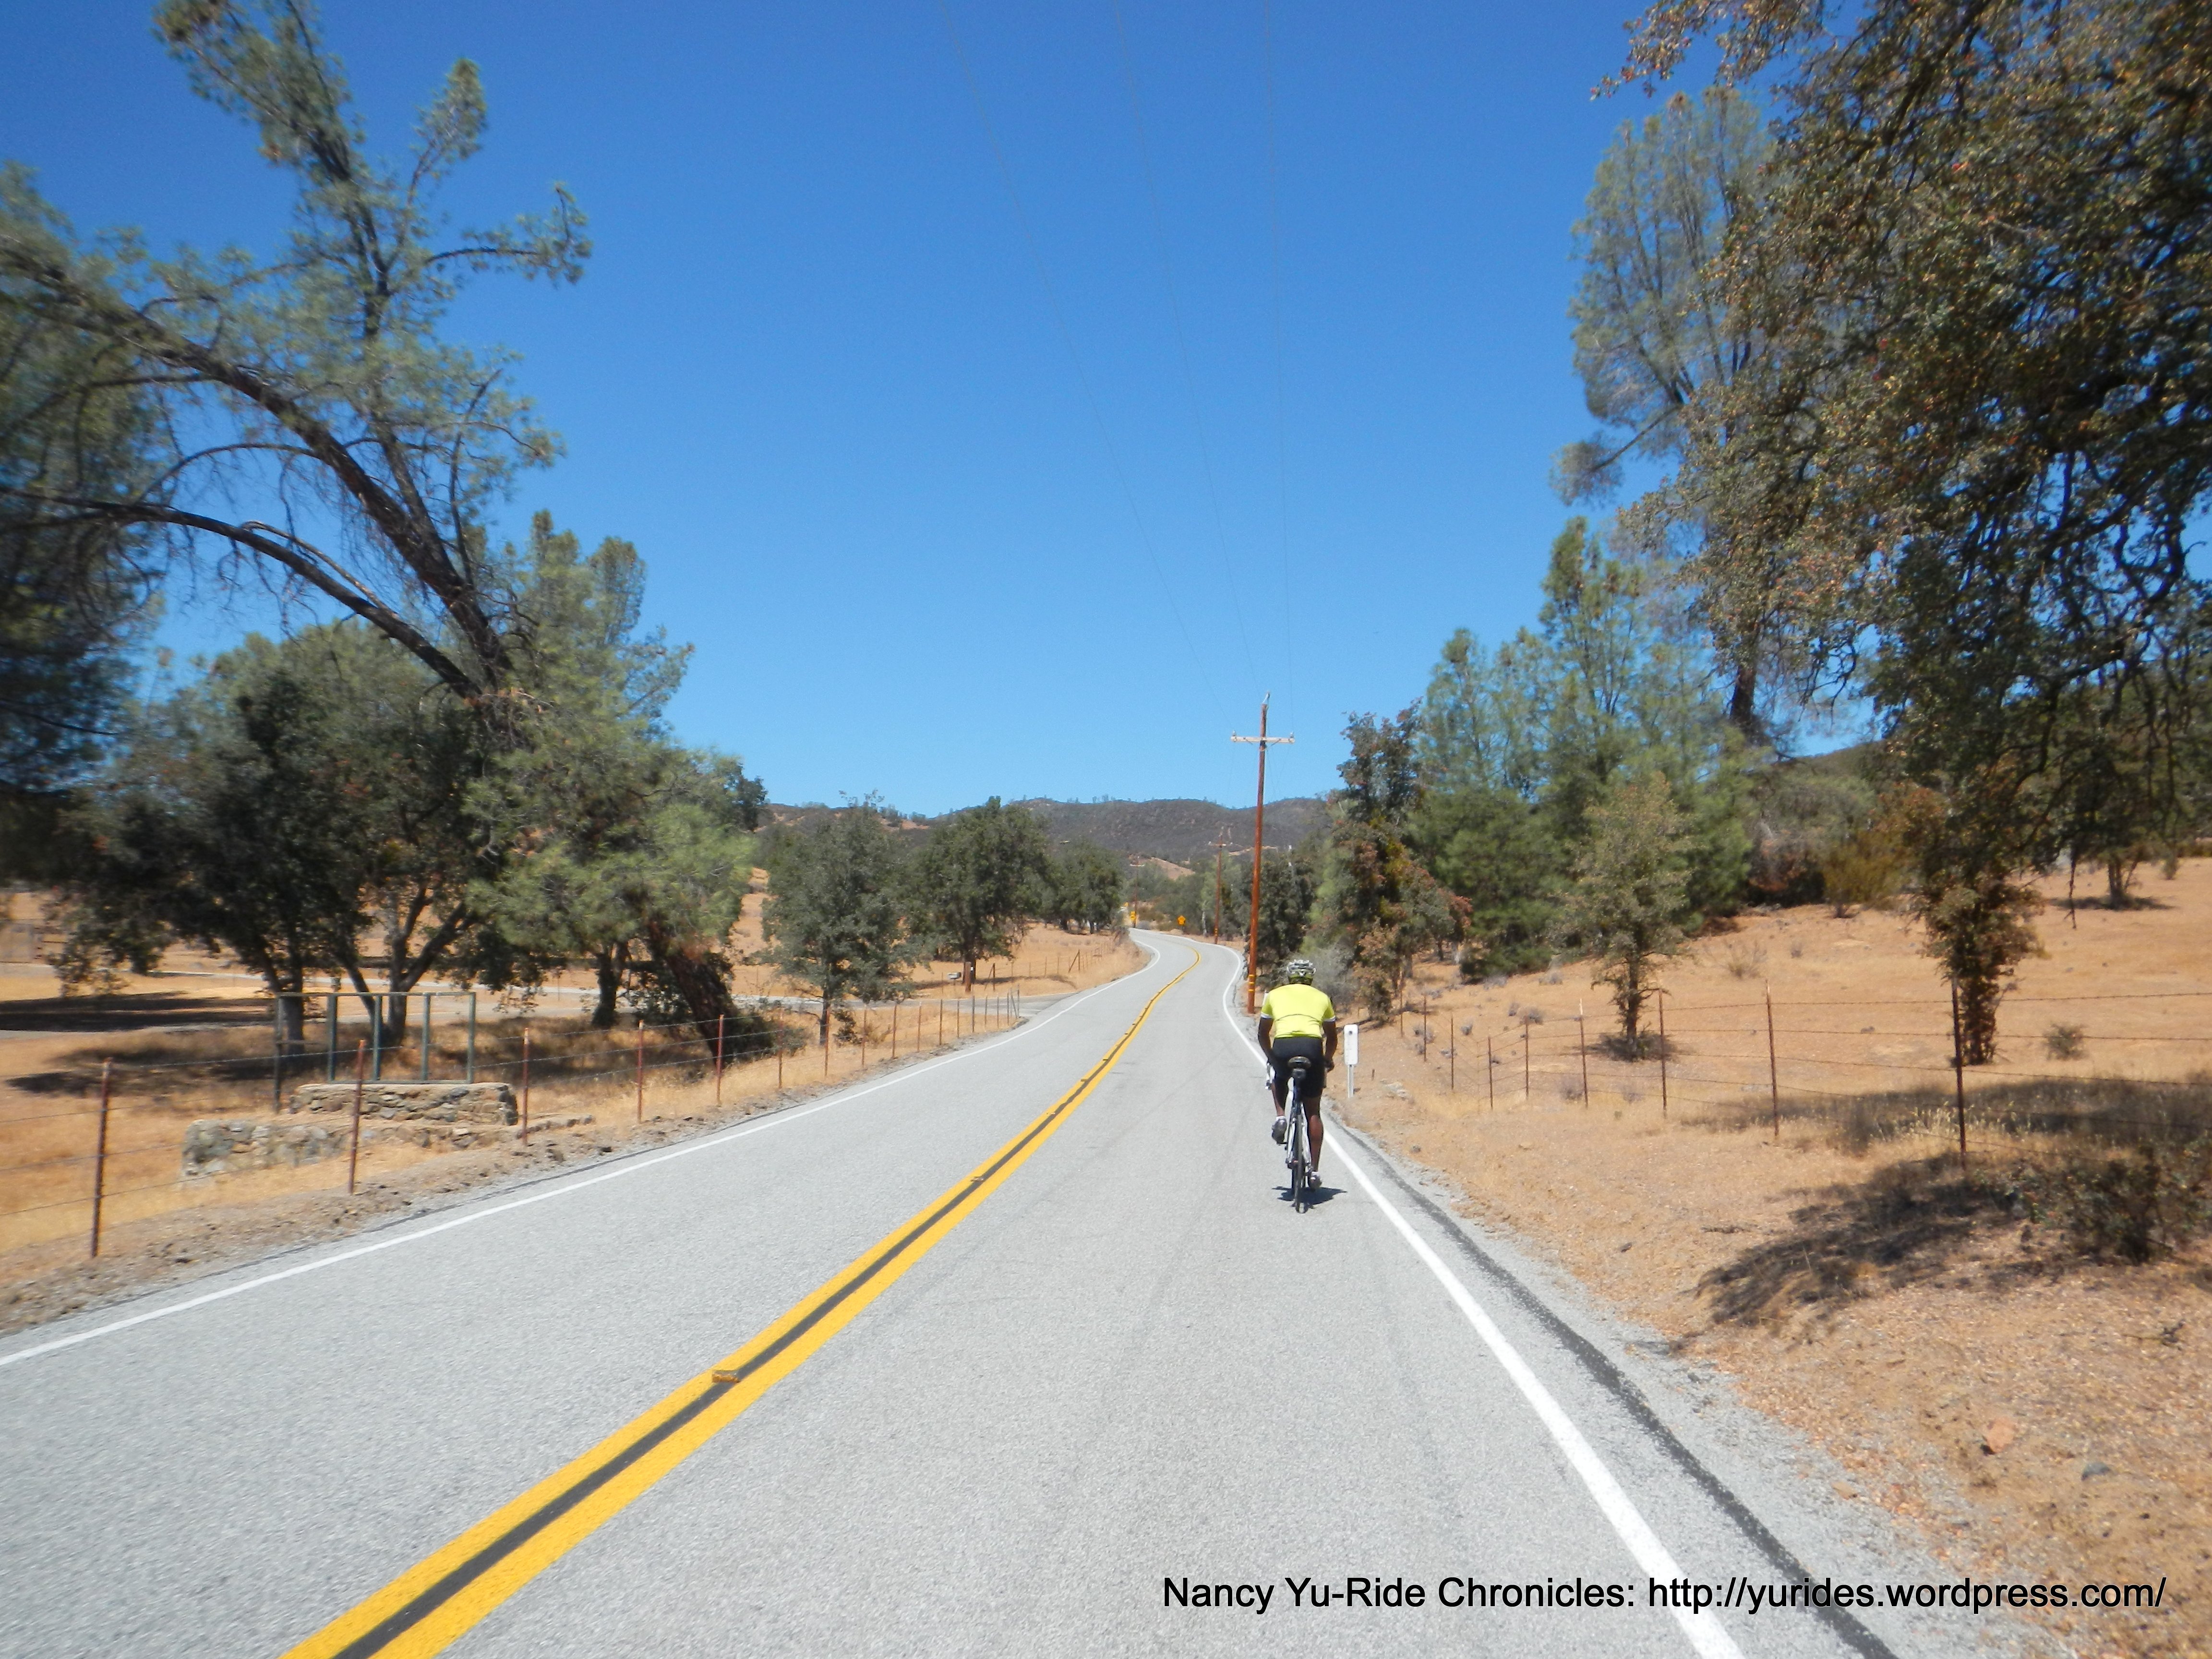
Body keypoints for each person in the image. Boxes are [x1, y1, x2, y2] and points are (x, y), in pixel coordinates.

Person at [1256, 959, 1337, 1179]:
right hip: (1312, 1048)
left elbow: (1263, 1034)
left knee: (1279, 1076)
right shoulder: (1323, 998)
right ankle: (1315, 1171)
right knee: (1314, 1113)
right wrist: (1327, 1059)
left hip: (1283, 1046)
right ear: (1311, 979)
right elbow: (1331, 1036)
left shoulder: (1274, 995)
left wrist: (1272, 1057)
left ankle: (1281, 1116)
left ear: (1289, 977)